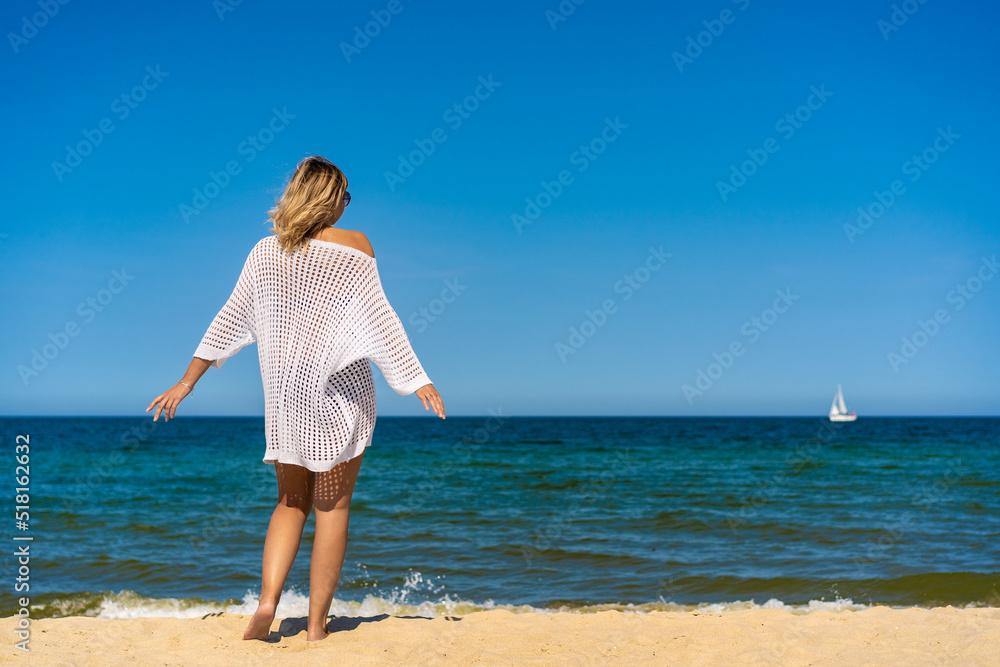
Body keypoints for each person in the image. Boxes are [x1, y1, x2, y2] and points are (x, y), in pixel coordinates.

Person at [145, 155, 445, 642]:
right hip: (342, 393)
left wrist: (186, 381)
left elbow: (229, 317)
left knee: (290, 504)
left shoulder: (265, 251)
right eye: (345, 197)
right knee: (333, 509)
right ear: (331, 199)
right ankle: (315, 628)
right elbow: (381, 321)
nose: (347, 206)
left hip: (286, 397)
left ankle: (266, 606)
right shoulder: (357, 247)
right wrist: (416, 379)